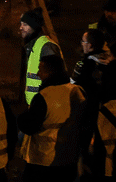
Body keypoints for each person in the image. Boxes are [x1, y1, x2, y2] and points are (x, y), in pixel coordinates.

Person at [18, 54, 85, 182]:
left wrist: (21, 117)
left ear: (50, 72)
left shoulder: (45, 96)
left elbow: (29, 126)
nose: (38, 74)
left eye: (40, 70)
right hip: (69, 158)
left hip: (43, 160)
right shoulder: (78, 91)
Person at [20, 8, 59, 105]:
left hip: (45, 104)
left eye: (25, 25)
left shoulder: (46, 47)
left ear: (34, 27)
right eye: (21, 24)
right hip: (35, 103)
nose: (21, 28)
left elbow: (54, 78)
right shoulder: (32, 45)